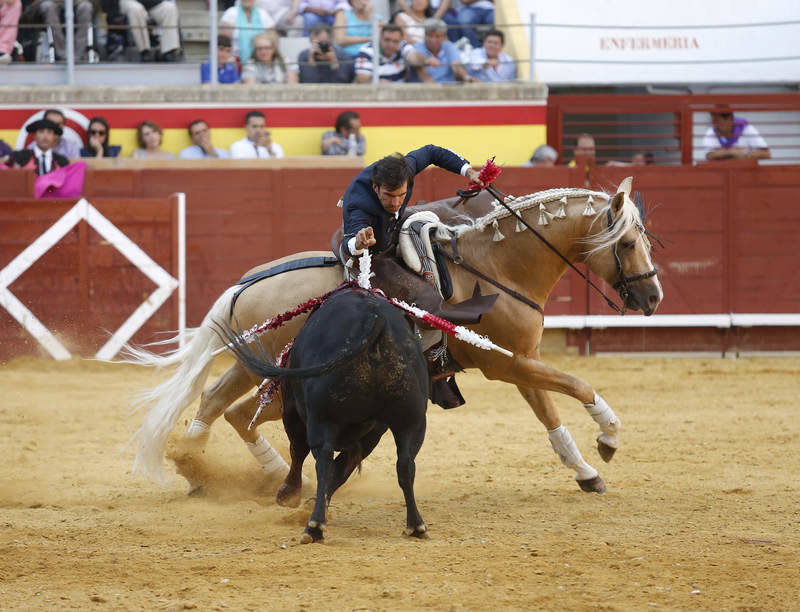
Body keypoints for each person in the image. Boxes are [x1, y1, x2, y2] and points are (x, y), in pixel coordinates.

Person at [339, 145, 488, 409]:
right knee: (424, 297)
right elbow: (349, 242)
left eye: (401, 194)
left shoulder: (404, 170)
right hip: (372, 249)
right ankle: (434, 358)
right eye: (389, 196)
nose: (396, 201)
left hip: (394, 227)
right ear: (376, 189)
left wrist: (467, 170)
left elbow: (431, 152)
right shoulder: (358, 203)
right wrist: (359, 243)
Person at [410, 17, 474, 83]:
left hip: (447, 89)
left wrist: (467, 77)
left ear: (444, 37)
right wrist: (426, 60)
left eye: (437, 36)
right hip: (423, 90)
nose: (433, 40)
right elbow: (415, 61)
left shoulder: (449, 46)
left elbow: (456, 65)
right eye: (430, 36)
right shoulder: (417, 47)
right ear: (425, 35)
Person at [354, 23, 424, 83]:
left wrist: (424, 59)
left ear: (401, 40)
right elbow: (362, 79)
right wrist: (377, 83)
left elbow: (414, 59)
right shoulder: (367, 51)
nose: (391, 45)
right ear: (380, 38)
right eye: (387, 40)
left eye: (395, 41)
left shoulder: (402, 45)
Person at [26, 0, 93, 62]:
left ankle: (78, 56)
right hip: (49, 5)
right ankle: (62, 55)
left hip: (76, 4)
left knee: (86, 7)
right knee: (48, 6)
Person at [287, 22, 354, 83]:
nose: (320, 47)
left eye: (323, 43)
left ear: (330, 41)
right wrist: (311, 60)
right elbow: (308, 83)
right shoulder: (304, 56)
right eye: (317, 44)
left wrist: (334, 62)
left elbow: (343, 82)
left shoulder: (342, 56)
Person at [703, 107, 771, 161]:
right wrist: (731, 152)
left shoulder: (747, 129)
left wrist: (745, 156)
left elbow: (766, 154)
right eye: (713, 121)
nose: (714, 125)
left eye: (717, 121)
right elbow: (709, 156)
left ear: (729, 119)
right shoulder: (711, 132)